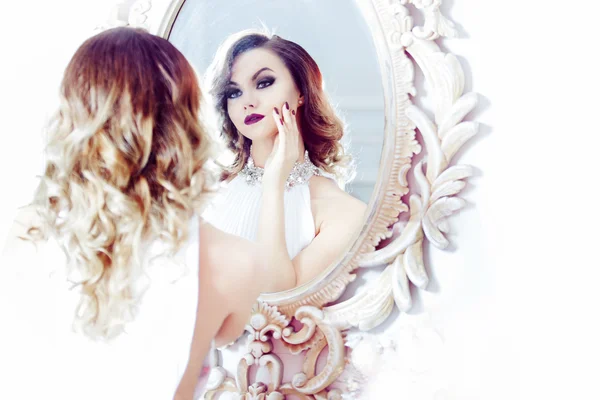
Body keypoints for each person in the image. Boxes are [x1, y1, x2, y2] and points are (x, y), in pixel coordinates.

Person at [0, 27, 265, 400]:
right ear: (185, 120)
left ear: (74, 118)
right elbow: (226, 334)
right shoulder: (238, 262)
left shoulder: (26, 238)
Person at [202, 30, 367, 293]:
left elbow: (274, 299)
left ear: (301, 91)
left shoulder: (345, 213)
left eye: (264, 83)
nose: (248, 102)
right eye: (234, 93)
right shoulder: (206, 191)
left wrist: (274, 184)